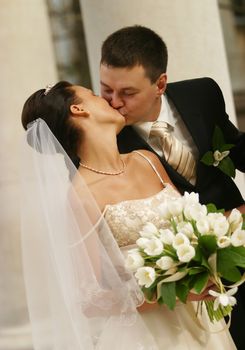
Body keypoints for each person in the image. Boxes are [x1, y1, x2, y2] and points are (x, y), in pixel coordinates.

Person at [21, 81, 237, 349]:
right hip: (150, 335)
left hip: (203, 321)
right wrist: (175, 294)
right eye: (93, 94)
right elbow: (88, 299)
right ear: (78, 109)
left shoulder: (146, 160)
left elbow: (193, 225)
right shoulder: (80, 196)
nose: (108, 100)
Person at [99, 25, 245, 348]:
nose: (113, 103)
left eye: (127, 93)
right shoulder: (106, 142)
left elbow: (235, 148)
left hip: (239, 250)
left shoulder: (202, 94)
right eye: (106, 89)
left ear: (160, 83)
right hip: (186, 286)